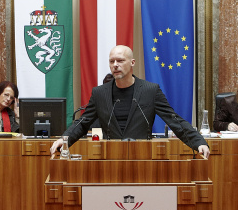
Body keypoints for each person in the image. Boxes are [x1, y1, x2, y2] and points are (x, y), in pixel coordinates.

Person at [50, 45, 210, 158]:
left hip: (142, 157)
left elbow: (174, 120)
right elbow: (83, 123)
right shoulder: (99, 93)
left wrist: (198, 142)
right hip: (110, 158)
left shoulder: (150, 90)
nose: (115, 65)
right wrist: (64, 140)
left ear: (132, 63)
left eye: (120, 61)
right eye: (112, 61)